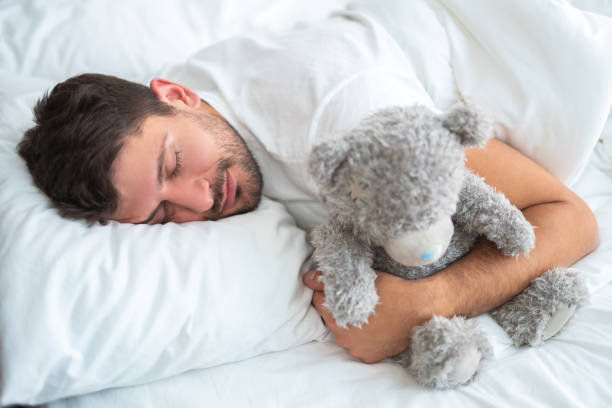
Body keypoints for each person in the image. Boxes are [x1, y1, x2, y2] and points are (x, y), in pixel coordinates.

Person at [18, 6, 598, 365]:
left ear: (176, 94)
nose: (198, 200)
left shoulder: (348, 115)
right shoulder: (180, 121)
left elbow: (569, 215)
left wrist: (429, 302)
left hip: (566, 77)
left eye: (173, 167)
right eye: (162, 216)